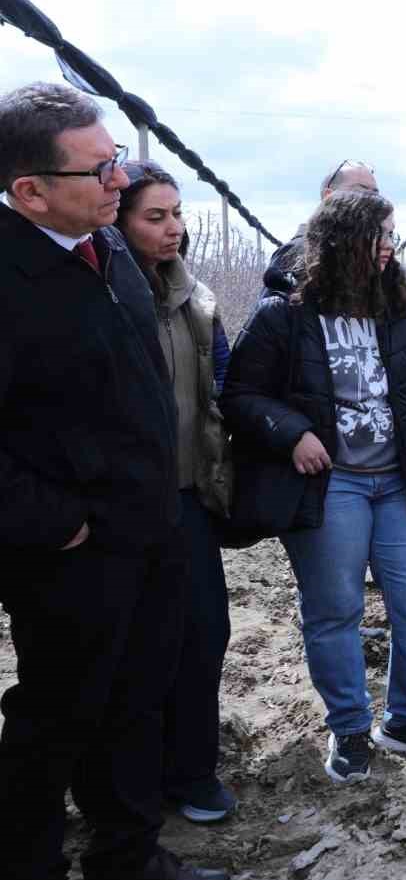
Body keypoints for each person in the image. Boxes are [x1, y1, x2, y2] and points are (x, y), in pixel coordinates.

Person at [0, 83, 232, 880]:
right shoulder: (10, 277)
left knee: (136, 702)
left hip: (148, 530)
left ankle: (126, 858)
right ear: (31, 191)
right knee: (57, 717)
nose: (119, 181)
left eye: (117, 161)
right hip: (68, 553)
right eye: (99, 170)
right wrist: (56, 523)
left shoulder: (109, 254)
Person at [222, 189, 406, 783]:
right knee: (335, 609)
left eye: (391, 234)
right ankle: (351, 726)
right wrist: (292, 434)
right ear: (341, 240)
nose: (388, 246)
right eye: (377, 235)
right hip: (331, 485)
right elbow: (239, 394)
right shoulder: (284, 313)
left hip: (403, 481)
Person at [113, 162, 239, 824]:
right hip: (120, 507)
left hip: (188, 496)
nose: (174, 229)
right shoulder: (100, 295)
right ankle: (130, 784)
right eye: (155, 217)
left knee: (205, 633)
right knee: (135, 647)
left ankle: (192, 772)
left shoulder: (197, 300)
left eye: (177, 214)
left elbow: (225, 388)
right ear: (117, 221)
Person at [260, 159, 379, 298]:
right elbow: (269, 310)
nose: (372, 200)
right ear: (329, 197)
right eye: (361, 191)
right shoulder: (297, 253)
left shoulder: (370, 258)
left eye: (375, 195)